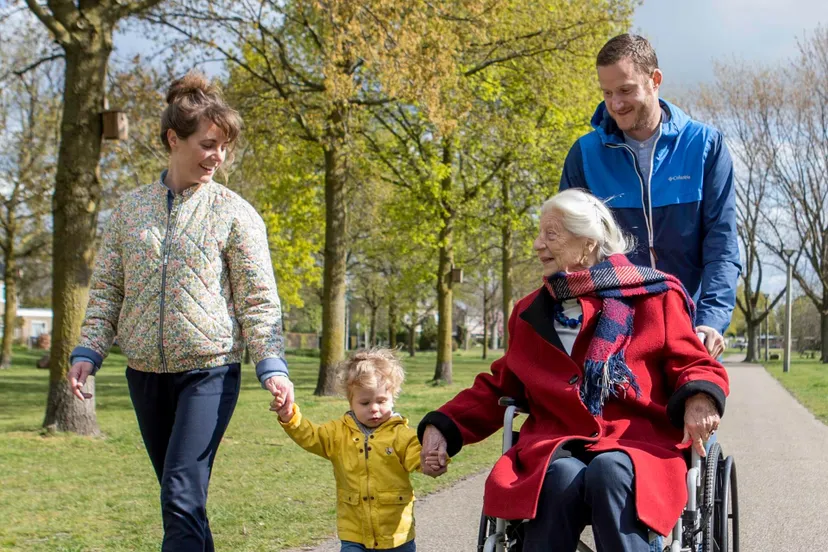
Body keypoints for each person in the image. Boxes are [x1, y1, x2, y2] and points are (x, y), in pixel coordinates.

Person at [419, 189, 729, 552]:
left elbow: (693, 361)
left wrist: (701, 396)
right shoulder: (529, 312)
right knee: (559, 475)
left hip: (638, 446)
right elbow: (500, 385)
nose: (537, 245)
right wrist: (443, 425)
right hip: (556, 445)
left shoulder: (655, 296)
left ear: (587, 243)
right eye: (539, 234)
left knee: (610, 471)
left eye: (551, 234)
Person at [66, 71, 294, 552]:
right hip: (144, 374)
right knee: (183, 502)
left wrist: (271, 365)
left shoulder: (235, 212)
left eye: (224, 147)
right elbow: (107, 288)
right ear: (174, 139)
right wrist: (88, 349)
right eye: (208, 144)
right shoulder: (130, 210)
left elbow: (258, 299)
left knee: (180, 494)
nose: (218, 156)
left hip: (209, 372)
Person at [559, 33, 741, 359]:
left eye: (626, 90)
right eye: (607, 92)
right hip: (614, 336)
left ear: (655, 80)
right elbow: (568, 249)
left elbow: (721, 248)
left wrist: (711, 321)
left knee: (698, 409)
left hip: (690, 330)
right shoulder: (584, 155)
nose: (615, 103)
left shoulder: (705, 146)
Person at [274, 348, 421, 552]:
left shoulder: (402, 435)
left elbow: (419, 456)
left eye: (381, 401)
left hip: (396, 534)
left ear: (393, 398)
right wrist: (290, 417)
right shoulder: (338, 433)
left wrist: (432, 459)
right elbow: (311, 436)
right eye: (365, 402)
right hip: (354, 532)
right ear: (350, 401)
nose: (374, 408)